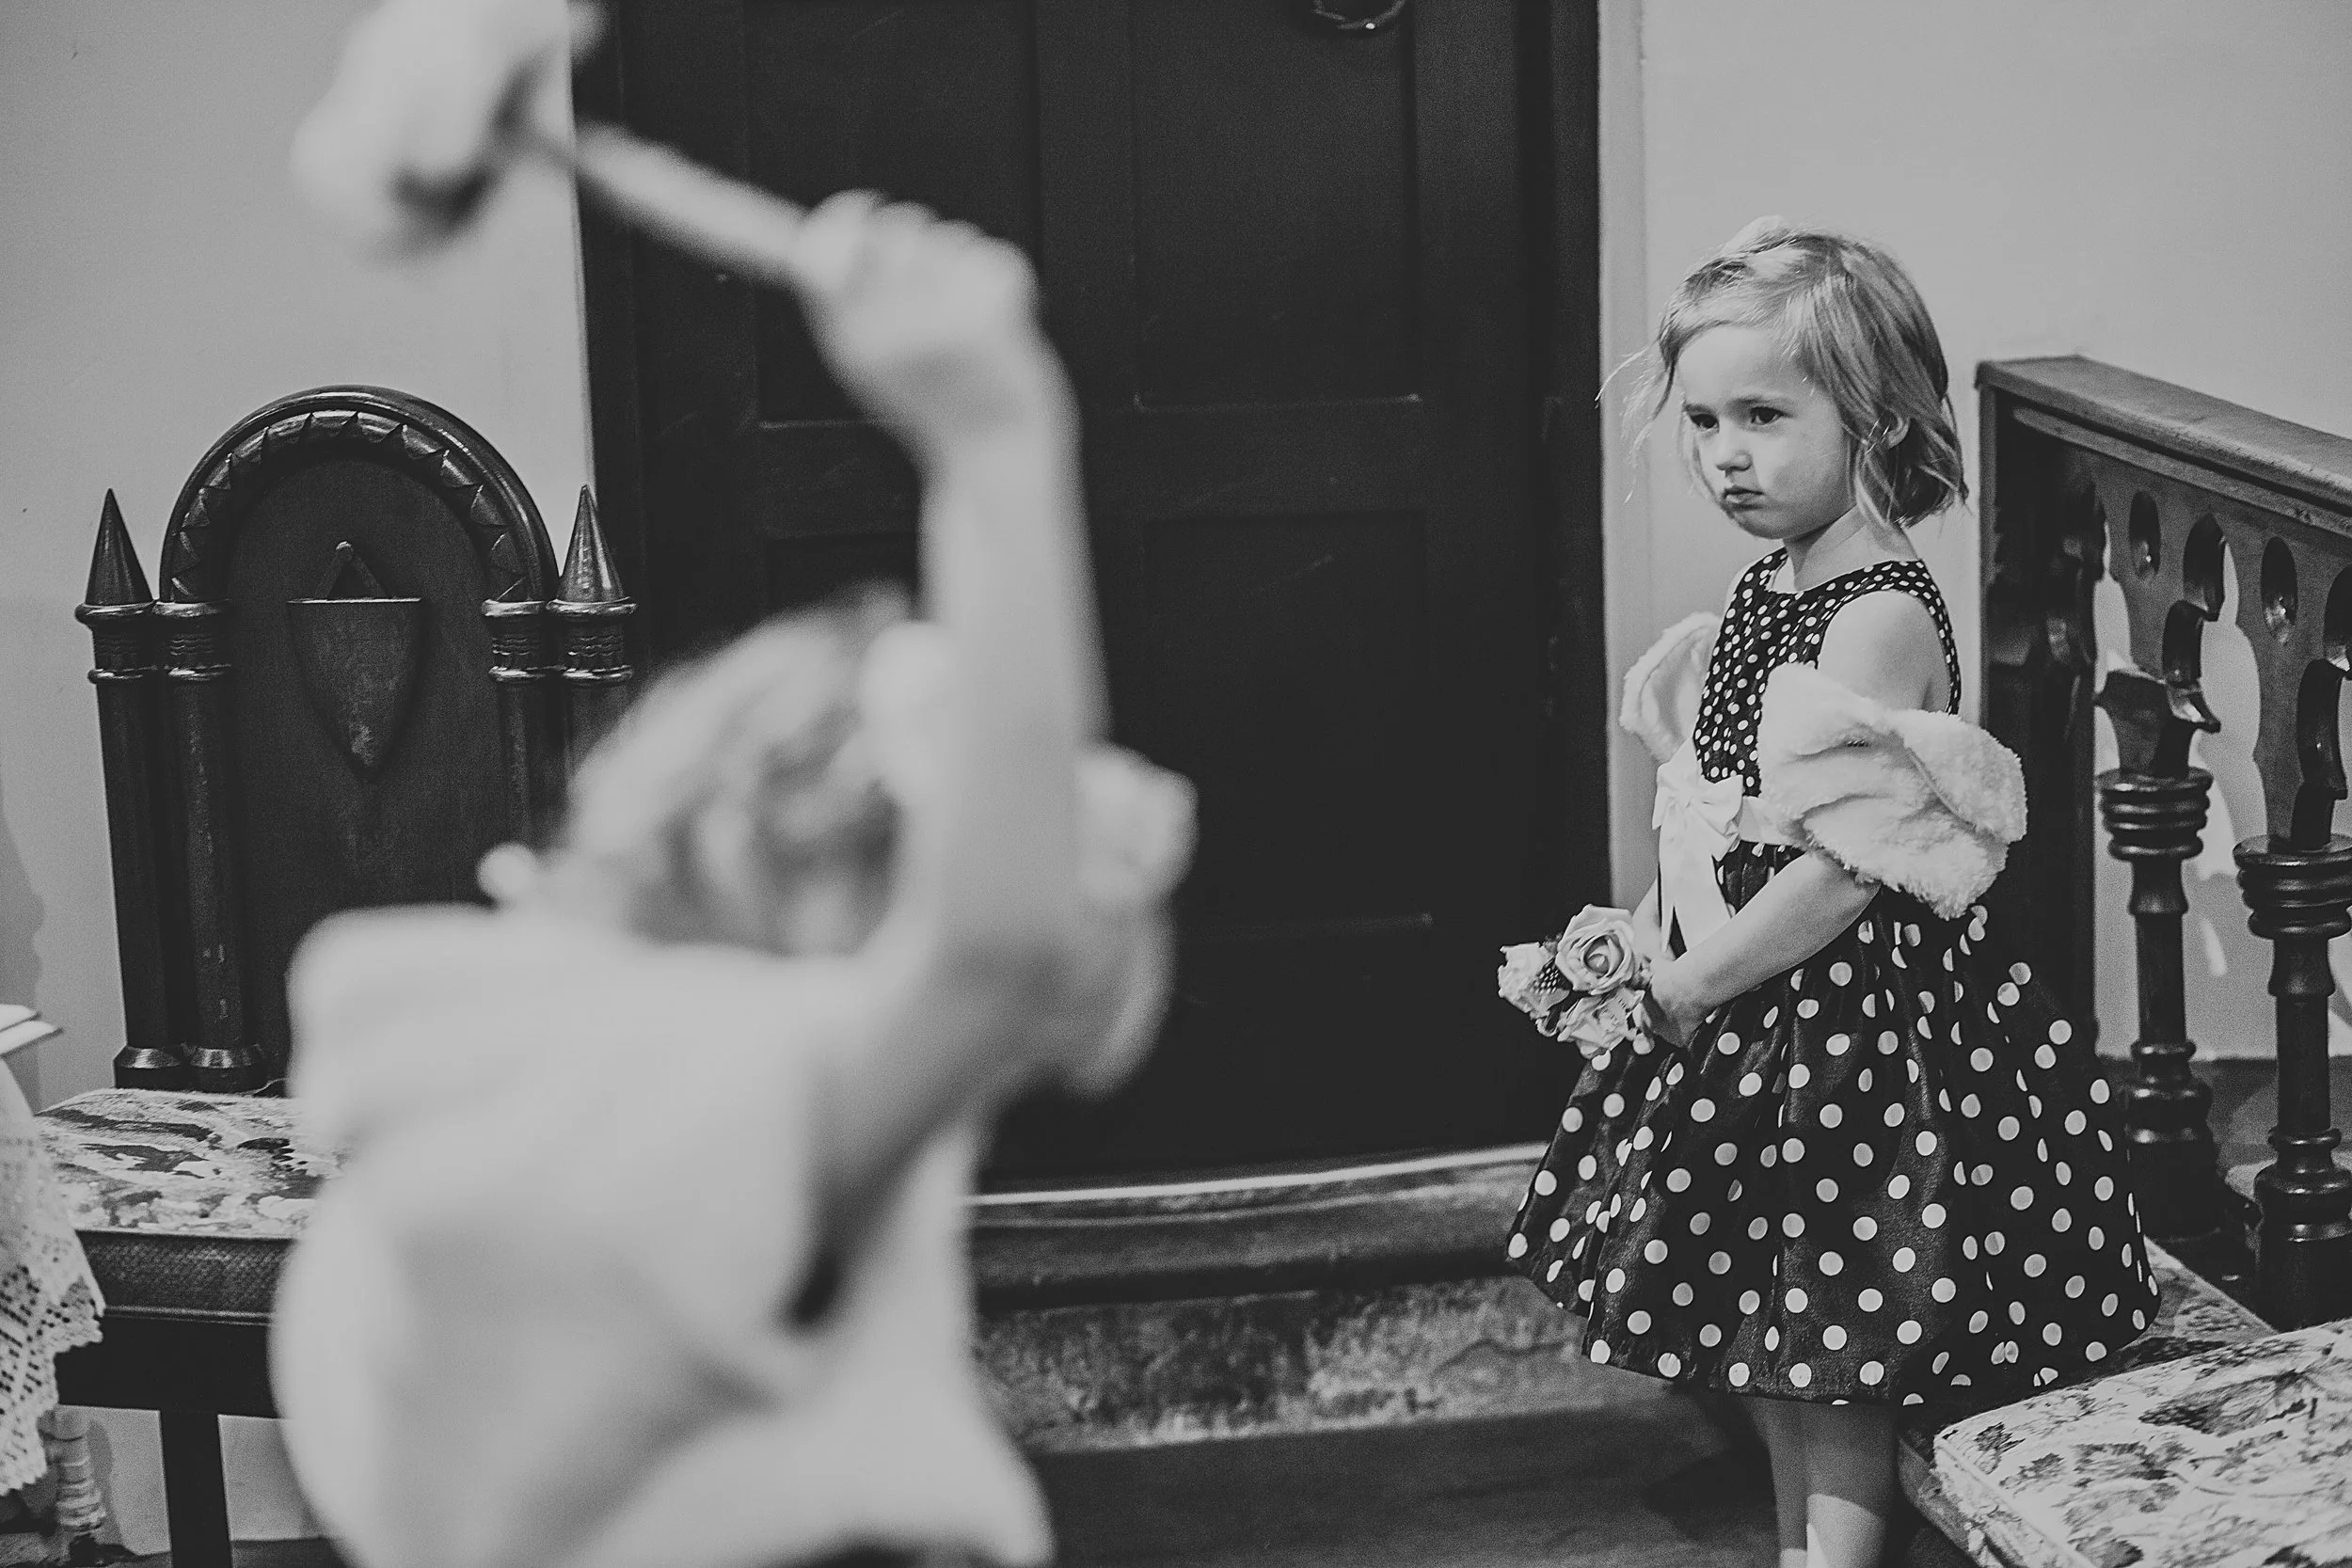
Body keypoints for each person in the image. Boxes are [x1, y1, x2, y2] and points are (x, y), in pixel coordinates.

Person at [270, 139, 1195, 1568]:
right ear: (791, 858)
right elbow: (1000, 960)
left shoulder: (474, 1079)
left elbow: (1057, 988)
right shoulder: (660, 1103)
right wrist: (993, 439)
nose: (964, 1095)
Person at [1504, 219, 2160, 1568]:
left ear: (1868, 417)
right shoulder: (1769, 584)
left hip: (1849, 1035)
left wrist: (1691, 983)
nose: (1724, 452)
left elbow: (1841, 870)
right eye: (1701, 420)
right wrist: (1637, 932)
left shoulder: (1876, 612)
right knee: (1773, 1336)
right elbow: (1717, 804)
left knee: (1836, 1362)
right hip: (1761, 1018)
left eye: (1762, 415)